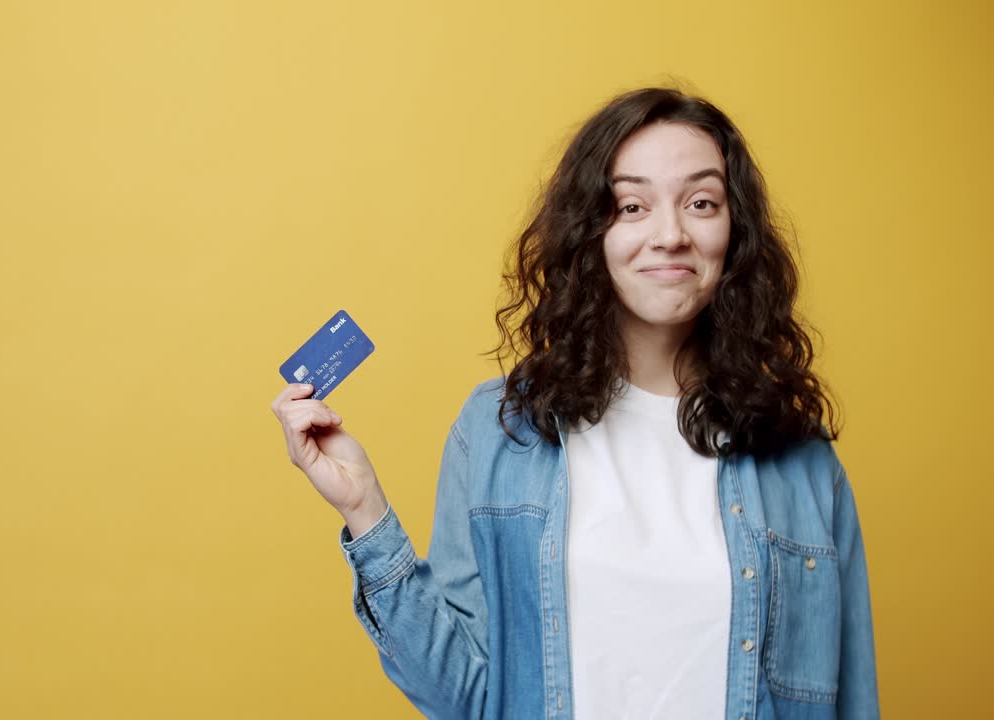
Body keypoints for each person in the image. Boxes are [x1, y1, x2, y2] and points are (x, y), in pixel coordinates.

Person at [270, 87, 879, 719]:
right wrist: (364, 509)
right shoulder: (501, 433)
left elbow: (853, 699)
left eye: (701, 202)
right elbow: (469, 699)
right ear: (591, 232)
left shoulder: (801, 460)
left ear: (736, 232)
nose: (670, 235)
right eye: (631, 205)